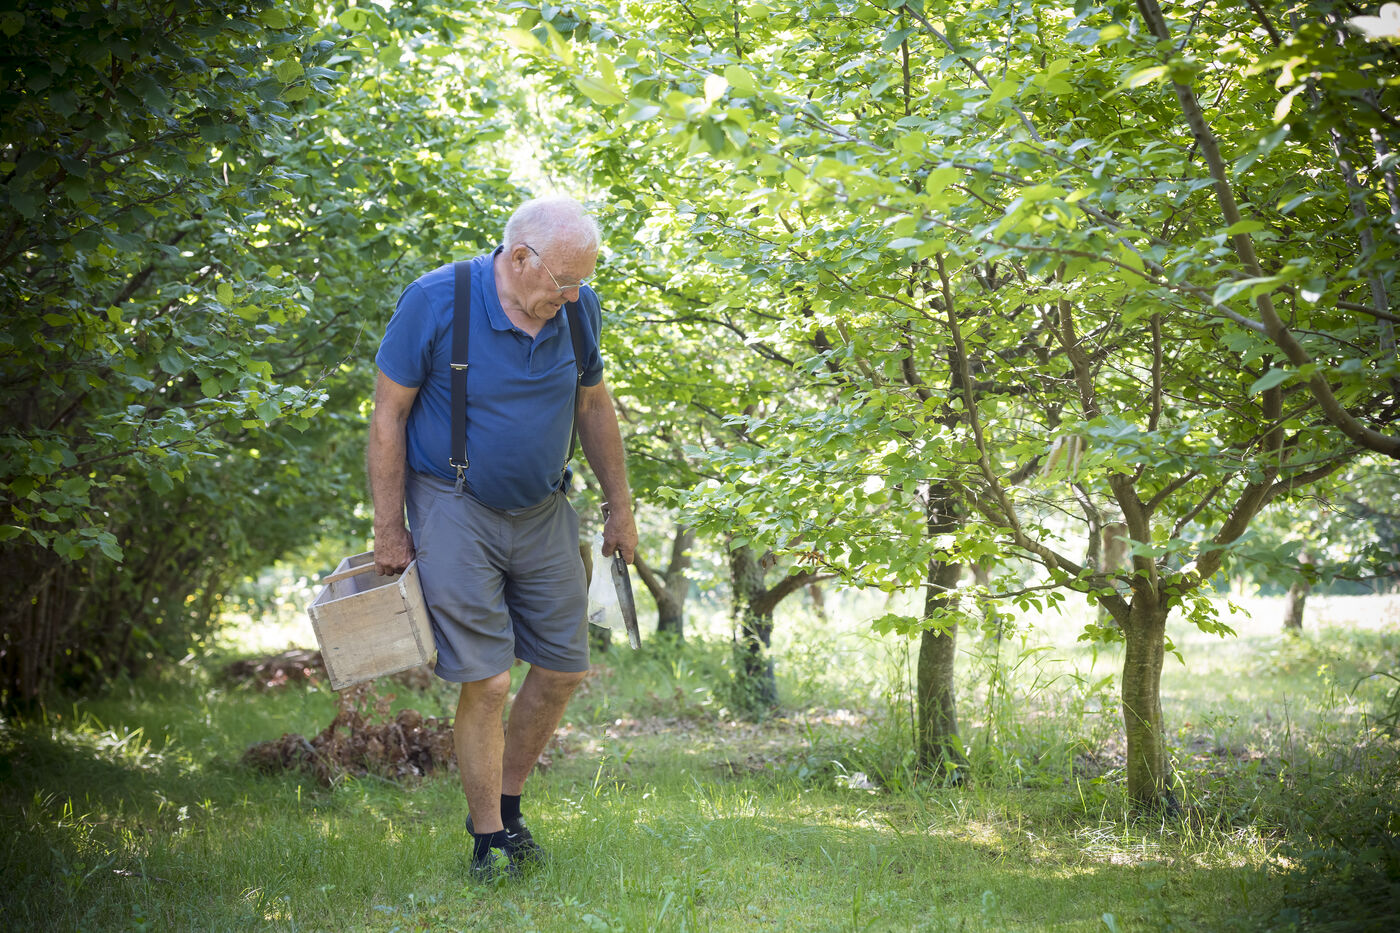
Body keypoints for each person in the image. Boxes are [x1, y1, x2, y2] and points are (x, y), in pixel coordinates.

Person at [367, 195, 638, 881]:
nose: (572, 296)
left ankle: (508, 806)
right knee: (488, 680)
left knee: (564, 668)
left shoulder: (578, 308)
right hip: (453, 502)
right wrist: (389, 528)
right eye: (563, 281)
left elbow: (593, 403)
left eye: (581, 282)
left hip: (544, 508)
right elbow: (388, 415)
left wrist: (621, 506)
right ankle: (488, 836)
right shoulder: (436, 301)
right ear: (520, 258)